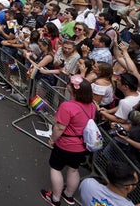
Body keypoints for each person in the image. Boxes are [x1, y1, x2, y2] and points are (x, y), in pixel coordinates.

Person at [40, 75, 96, 206]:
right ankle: (69, 196)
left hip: (66, 144)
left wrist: (52, 139)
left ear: (74, 90)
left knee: (55, 168)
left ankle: (55, 198)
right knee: (74, 169)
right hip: (82, 146)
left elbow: (59, 127)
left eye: (69, 85)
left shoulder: (67, 106)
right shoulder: (92, 106)